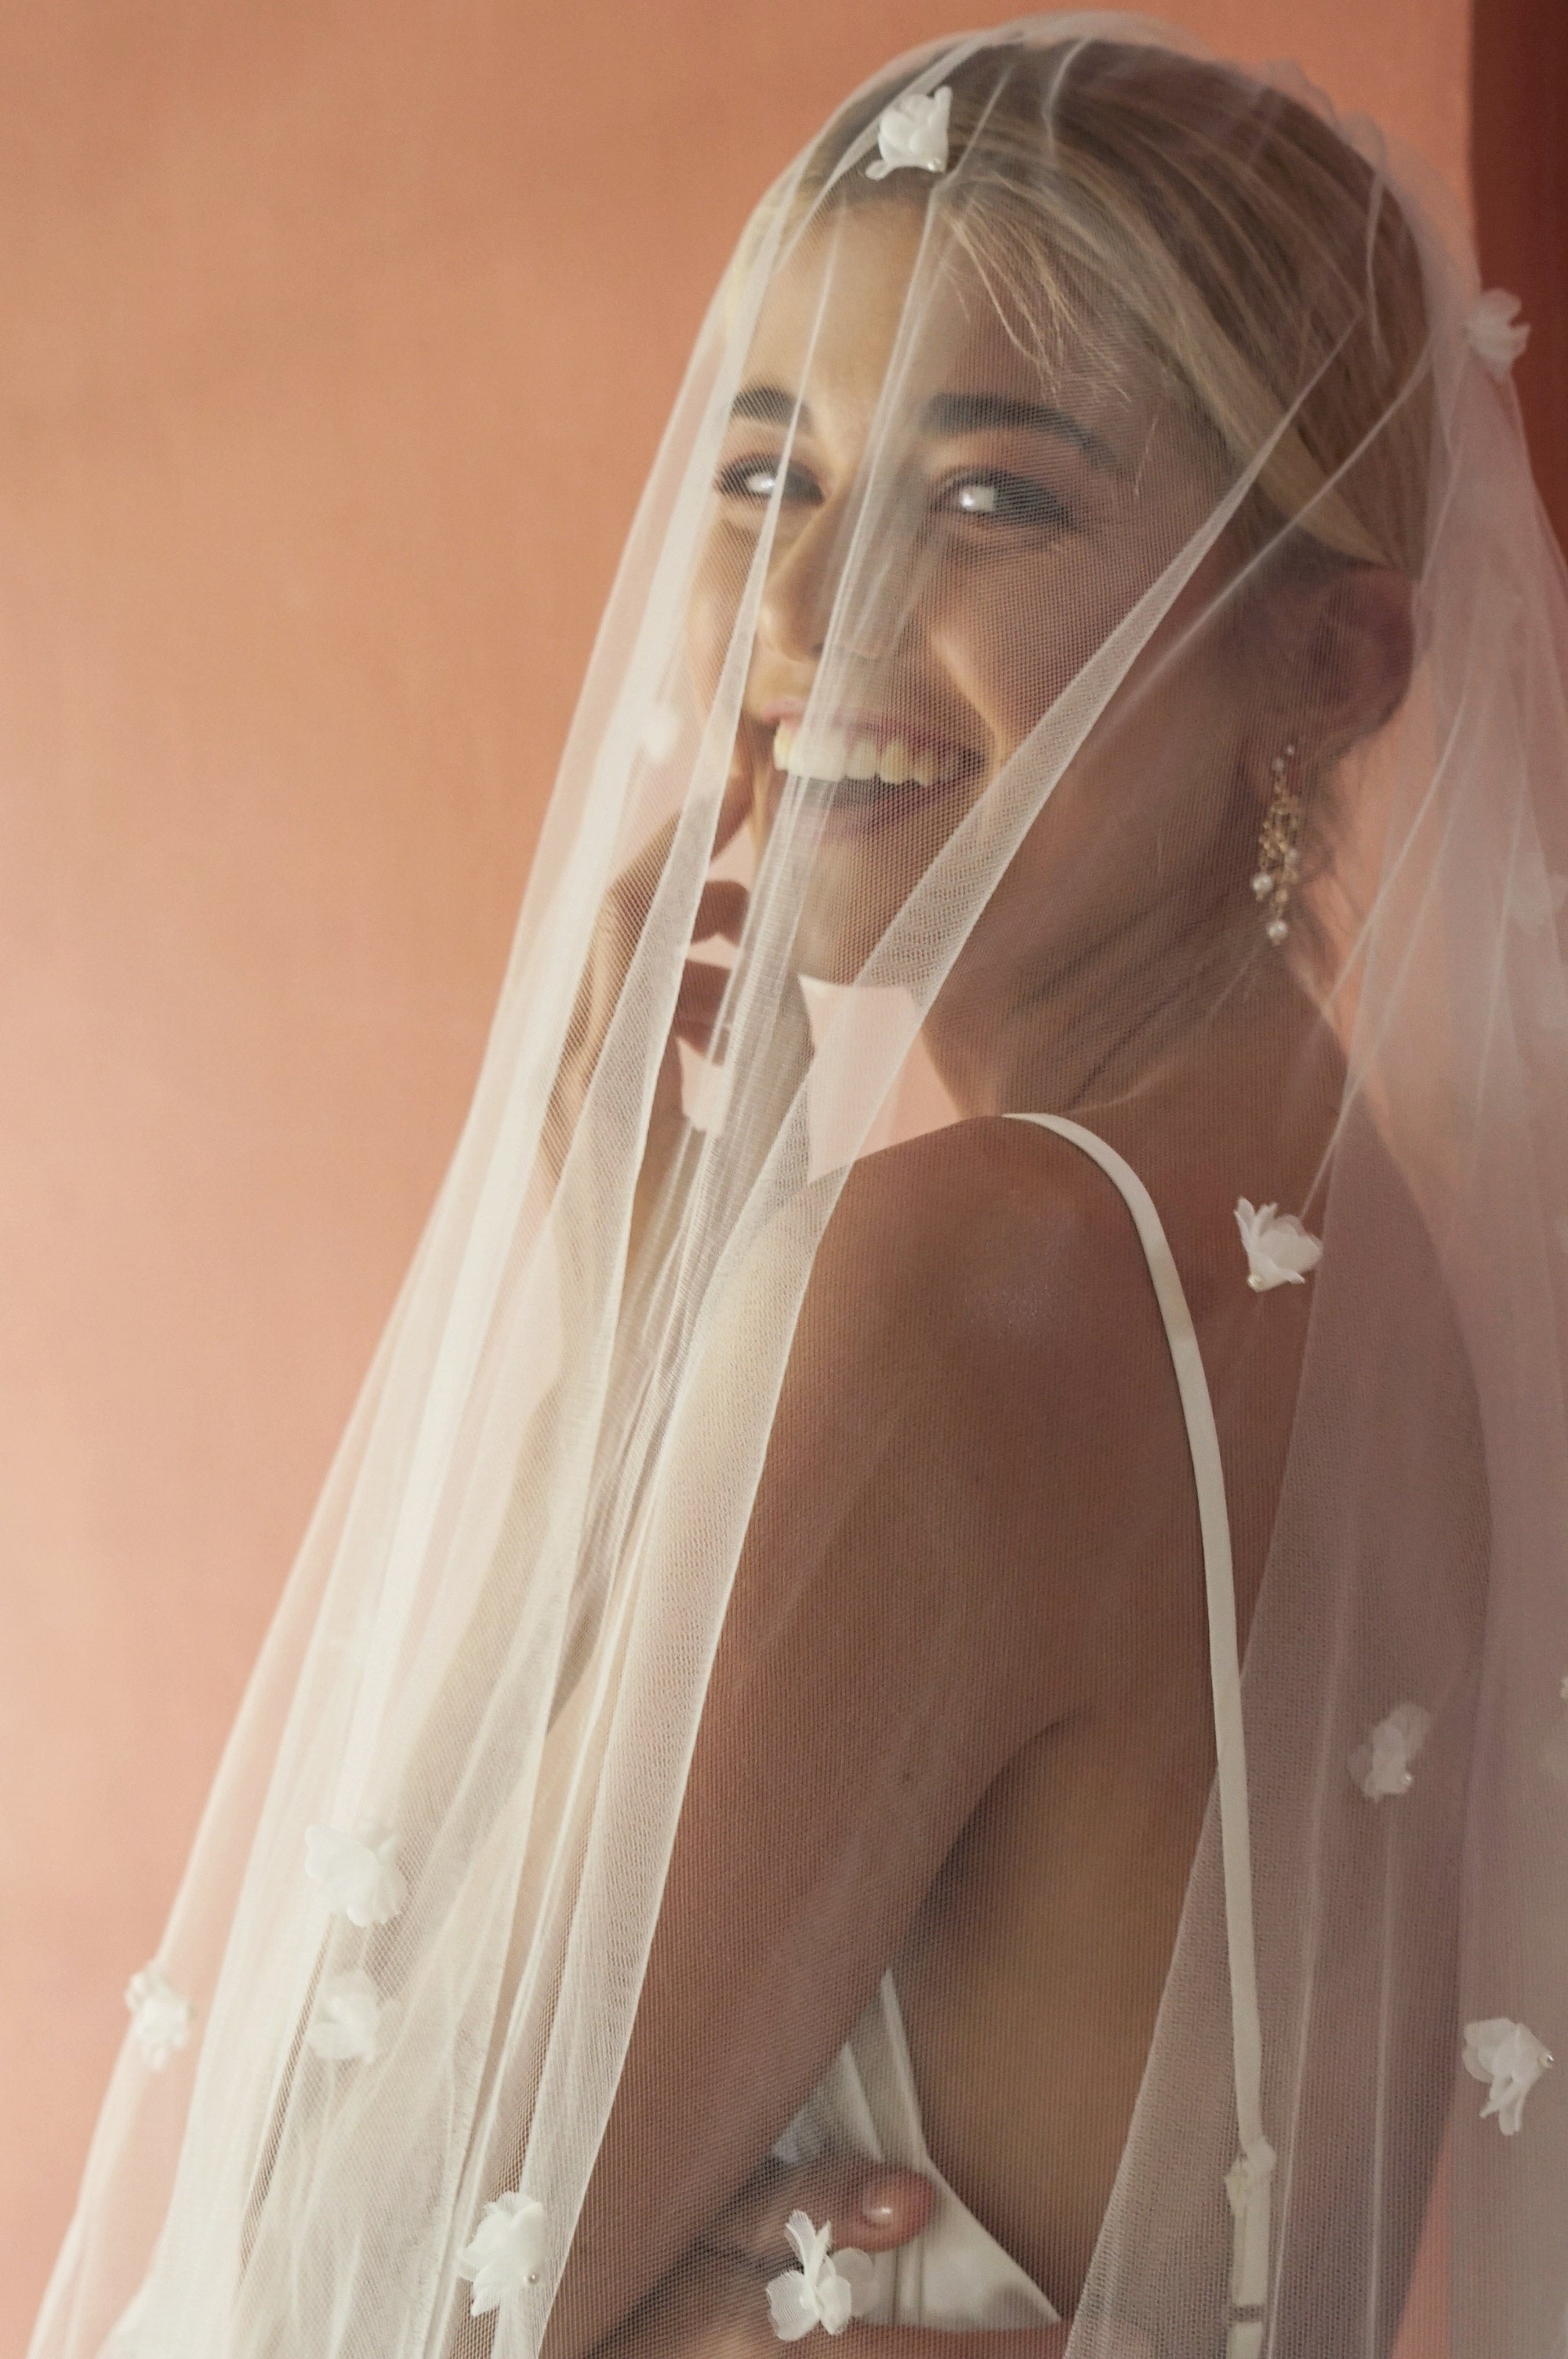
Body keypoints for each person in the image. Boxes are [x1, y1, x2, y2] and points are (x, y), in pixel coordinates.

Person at [29, 20, 1568, 2359]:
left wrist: (625, 1394)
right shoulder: (1366, 1265)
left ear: (1329, 660)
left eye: (994, 497)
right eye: (769, 473)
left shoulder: (979, 1290)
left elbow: (319, 2297)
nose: (809, 615)